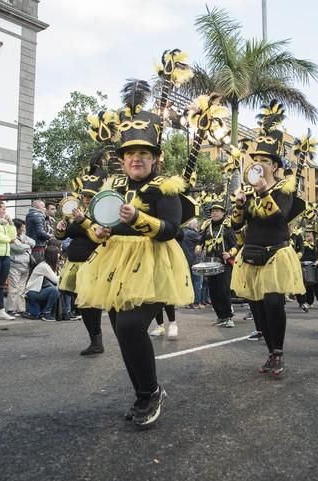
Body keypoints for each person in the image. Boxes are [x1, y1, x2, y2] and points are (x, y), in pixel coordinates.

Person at [76, 85, 193, 427]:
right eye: (130, 153)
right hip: (115, 265)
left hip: (154, 265)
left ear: (156, 158)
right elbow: (101, 225)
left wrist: (139, 218)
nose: (136, 158)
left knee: (129, 326)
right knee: (123, 332)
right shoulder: (111, 188)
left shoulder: (165, 187)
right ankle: (147, 391)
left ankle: (149, 394)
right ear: (122, 159)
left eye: (144, 152)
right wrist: (96, 230)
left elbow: (173, 229)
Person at [230, 101, 306, 377]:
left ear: (274, 166)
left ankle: (278, 352)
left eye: (264, 162)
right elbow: (236, 226)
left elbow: (278, 219)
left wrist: (263, 192)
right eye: (256, 161)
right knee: (258, 307)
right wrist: (239, 204)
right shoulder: (248, 193)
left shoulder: (285, 190)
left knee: (274, 302)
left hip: (276, 254)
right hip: (251, 255)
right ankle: (271, 348)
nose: (258, 165)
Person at [56, 154, 108, 354]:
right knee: (84, 304)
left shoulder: (102, 212)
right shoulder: (75, 213)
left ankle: (98, 340)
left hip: (94, 263)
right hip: (75, 263)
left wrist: (82, 220)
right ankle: (95, 339)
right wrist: (61, 228)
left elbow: (98, 235)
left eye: (90, 197)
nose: (86, 200)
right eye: (85, 196)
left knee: (90, 303)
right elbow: (61, 236)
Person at [200, 194, 237, 328]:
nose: (214, 213)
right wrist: (199, 246)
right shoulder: (206, 226)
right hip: (210, 263)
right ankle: (220, 316)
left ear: (223, 213)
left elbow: (235, 245)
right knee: (213, 291)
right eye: (213, 211)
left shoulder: (228, 227)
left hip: (224, 264)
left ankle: (228, 317)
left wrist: (229, 253)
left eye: (217, 211)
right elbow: (201, 241)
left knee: (223, 290)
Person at [24, 245, 60, 321]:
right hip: (32, 292)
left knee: (54, 289)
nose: (59, 255)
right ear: (53, 256)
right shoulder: (44, 266)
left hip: (37, 290)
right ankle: (47, 313)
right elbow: (56, 280)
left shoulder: (48, 265)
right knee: (54, 291)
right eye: (57, 254)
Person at [7, 218, 34, 316]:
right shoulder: (11, 237)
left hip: (25, 265)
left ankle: (21, 308)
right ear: (16, 228)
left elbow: (33, 242)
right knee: (14, 287)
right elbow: (18, 248)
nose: (23, 229)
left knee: (22, 288)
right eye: (22, 227)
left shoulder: (23, 236)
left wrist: (25, 243)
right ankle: (11, 308)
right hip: (15, 265)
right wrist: (26, 244)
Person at [296, 228, 318, 310]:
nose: (308, 234)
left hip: (315, 265)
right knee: (308, 285)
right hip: (305, 266)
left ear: (314, 234)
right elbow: (299, 252)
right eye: (306, 232)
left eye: (310, 232)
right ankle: (309, 302)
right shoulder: (302, 243)